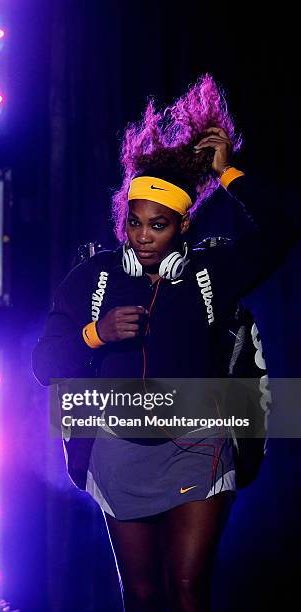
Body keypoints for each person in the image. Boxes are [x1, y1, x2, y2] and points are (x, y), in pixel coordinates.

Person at [32, 74, 301, 611]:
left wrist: (227, 173)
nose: (143, 236)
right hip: (118, 447)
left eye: (158, 225)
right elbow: (44, 365)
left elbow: (284, 224)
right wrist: (96, 333)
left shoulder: (211, 272)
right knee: (141, 592)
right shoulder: (93, 277)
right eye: (134, 224)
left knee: (186, 590)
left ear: (182, 227)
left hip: (199, 444)